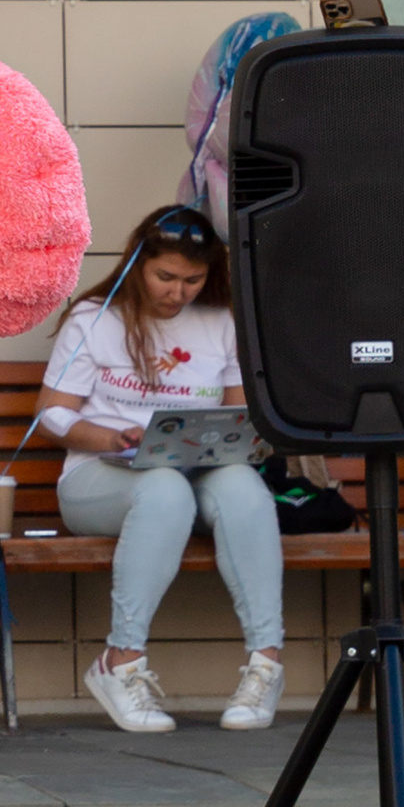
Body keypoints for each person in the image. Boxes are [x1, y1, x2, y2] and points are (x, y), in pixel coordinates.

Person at [40, 204, 284, 735]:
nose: (178, 292)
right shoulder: (95, 317)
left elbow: (238, 412)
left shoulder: (221, 320)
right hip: (100, 475)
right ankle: (121, 660)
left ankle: (266, 662)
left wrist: (248, 437)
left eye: (193, 280)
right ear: (137, 264)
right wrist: (111, 437)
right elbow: (53, 414)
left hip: (196, 472)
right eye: (165, 277)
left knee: (244, 487)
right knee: (165, 489)